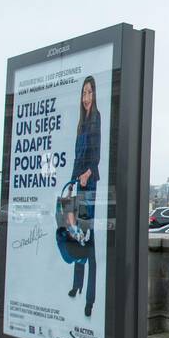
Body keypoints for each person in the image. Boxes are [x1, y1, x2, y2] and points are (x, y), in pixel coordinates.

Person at [67, 75, 101, 318]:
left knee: (88, 240)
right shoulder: (80, 124)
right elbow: (76, 156)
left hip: (89, 186)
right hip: (78, 185)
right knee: (75, 235)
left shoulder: (96, 119)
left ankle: (90, 298)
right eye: (83, 93)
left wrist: (87, 173)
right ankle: (77, 285)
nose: (86, 98)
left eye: (89, 93)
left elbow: (95, 153)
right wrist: (72, 182)